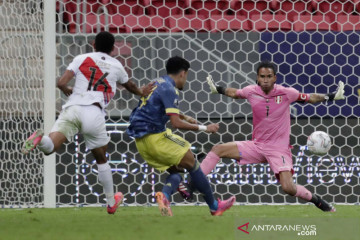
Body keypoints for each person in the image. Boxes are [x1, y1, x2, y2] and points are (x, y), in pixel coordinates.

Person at [183, 61, 345, 212]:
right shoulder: (251, 91)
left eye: (269, 76)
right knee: (217, 149)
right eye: (262, 76)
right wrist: (217, 89)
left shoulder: (287, 93)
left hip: (278, 150)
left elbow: (310, 98)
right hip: (256, 146)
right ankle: (191, 185)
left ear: (274, 78)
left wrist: (331, 96)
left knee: (288, 188)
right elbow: (234, 93)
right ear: (257, 78)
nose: (266, 80)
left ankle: (317, 201)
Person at [22, 31, 153, 214]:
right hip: (94, 111)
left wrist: (67, 89)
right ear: (113, 49)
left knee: (50, 146)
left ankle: (40, 138)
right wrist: (141, 92)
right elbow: (129, 86)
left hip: (73, 107)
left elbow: (61, 82)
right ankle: (110, 202)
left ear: (93, 45)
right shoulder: (116, 65)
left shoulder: (82, 58)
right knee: (101, 158)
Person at [126, 56, 236, 216]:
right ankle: (214, 206)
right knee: (192, 162)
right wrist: (206, 128)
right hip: (156, 138)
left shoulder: (157, 82)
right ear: (183, 73)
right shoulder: (170, 89)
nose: (185, 80)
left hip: (141, 142)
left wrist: (184, 116)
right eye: (187, 76)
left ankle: (165, 196)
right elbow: (176, 124)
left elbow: (157, 106)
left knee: (176, 172)